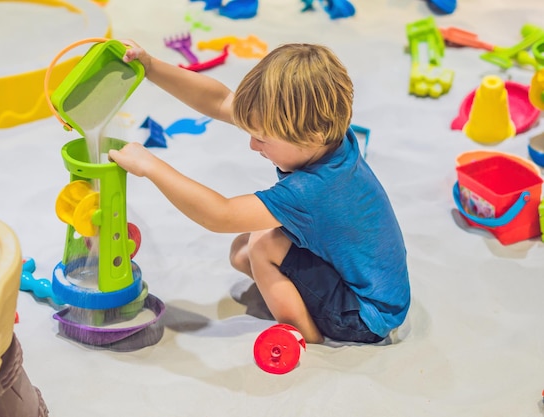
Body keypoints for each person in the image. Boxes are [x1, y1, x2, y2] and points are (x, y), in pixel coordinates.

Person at [109, 41, 410, 344]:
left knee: (262, 245)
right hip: (370, 286)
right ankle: (299, 300)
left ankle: (307, 337)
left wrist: (149, 165)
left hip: (363, 316)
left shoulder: (312, 189)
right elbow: (219, 100)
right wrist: (151, 66)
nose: (253, 145)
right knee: (242, 252)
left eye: (263, 139)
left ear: (312, 136)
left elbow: (220, 215)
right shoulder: (329, 132)